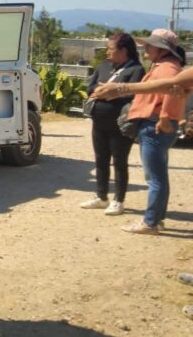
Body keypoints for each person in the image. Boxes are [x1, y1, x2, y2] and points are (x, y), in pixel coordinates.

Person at [113, 29, 186, 235]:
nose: (146, 47)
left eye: (150, 44)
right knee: (158, 176)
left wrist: (164, 116)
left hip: (155, 124)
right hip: (156, 122)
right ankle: (156, 219)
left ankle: (151, 222)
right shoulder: (165, 65)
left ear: (161, 48)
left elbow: (173, 90)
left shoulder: (167, 68)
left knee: (155, 178)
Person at [80, 33, 145, 215]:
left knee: (119, 162)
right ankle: (101, 197)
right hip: (99, 122)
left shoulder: (136, 70)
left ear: (123, 50)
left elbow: (135, 94)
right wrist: (101, 90)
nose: (107, 52)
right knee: (101, 159)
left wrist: (113, 92)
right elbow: (89, 87)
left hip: (120, 125)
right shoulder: (103, 66)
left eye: (111, 48)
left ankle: (118, 200)